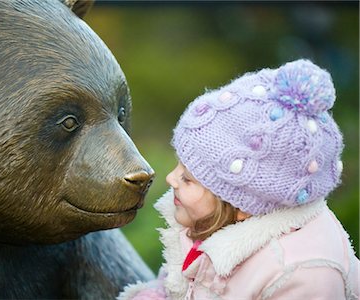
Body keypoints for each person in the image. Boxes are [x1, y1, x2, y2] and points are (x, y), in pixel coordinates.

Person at [118, 59, 359, 300]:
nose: (171, 178)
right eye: (179, 165)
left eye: (188, 179)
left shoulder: (300, 275)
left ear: (243, 206)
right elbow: (184, 283)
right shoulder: (213, 219)